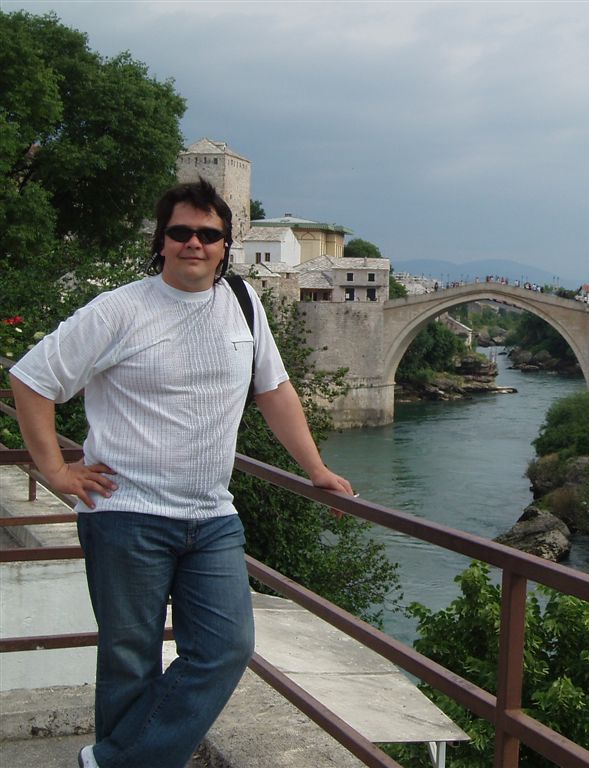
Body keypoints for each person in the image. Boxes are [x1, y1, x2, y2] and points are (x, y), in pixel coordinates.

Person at [9, 179, 354, 768]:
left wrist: (316, 468)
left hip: (212, 516)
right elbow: (31, 379)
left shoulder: (243, 303)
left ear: (225, 246)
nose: (195, 243)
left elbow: (273, 390)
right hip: (126, 515)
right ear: (162, 240)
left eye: (208, 234)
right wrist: (56, 471)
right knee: (130, 660)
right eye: (181, 232)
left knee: (226, 648)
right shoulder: (120, 309)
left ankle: (113, 762)